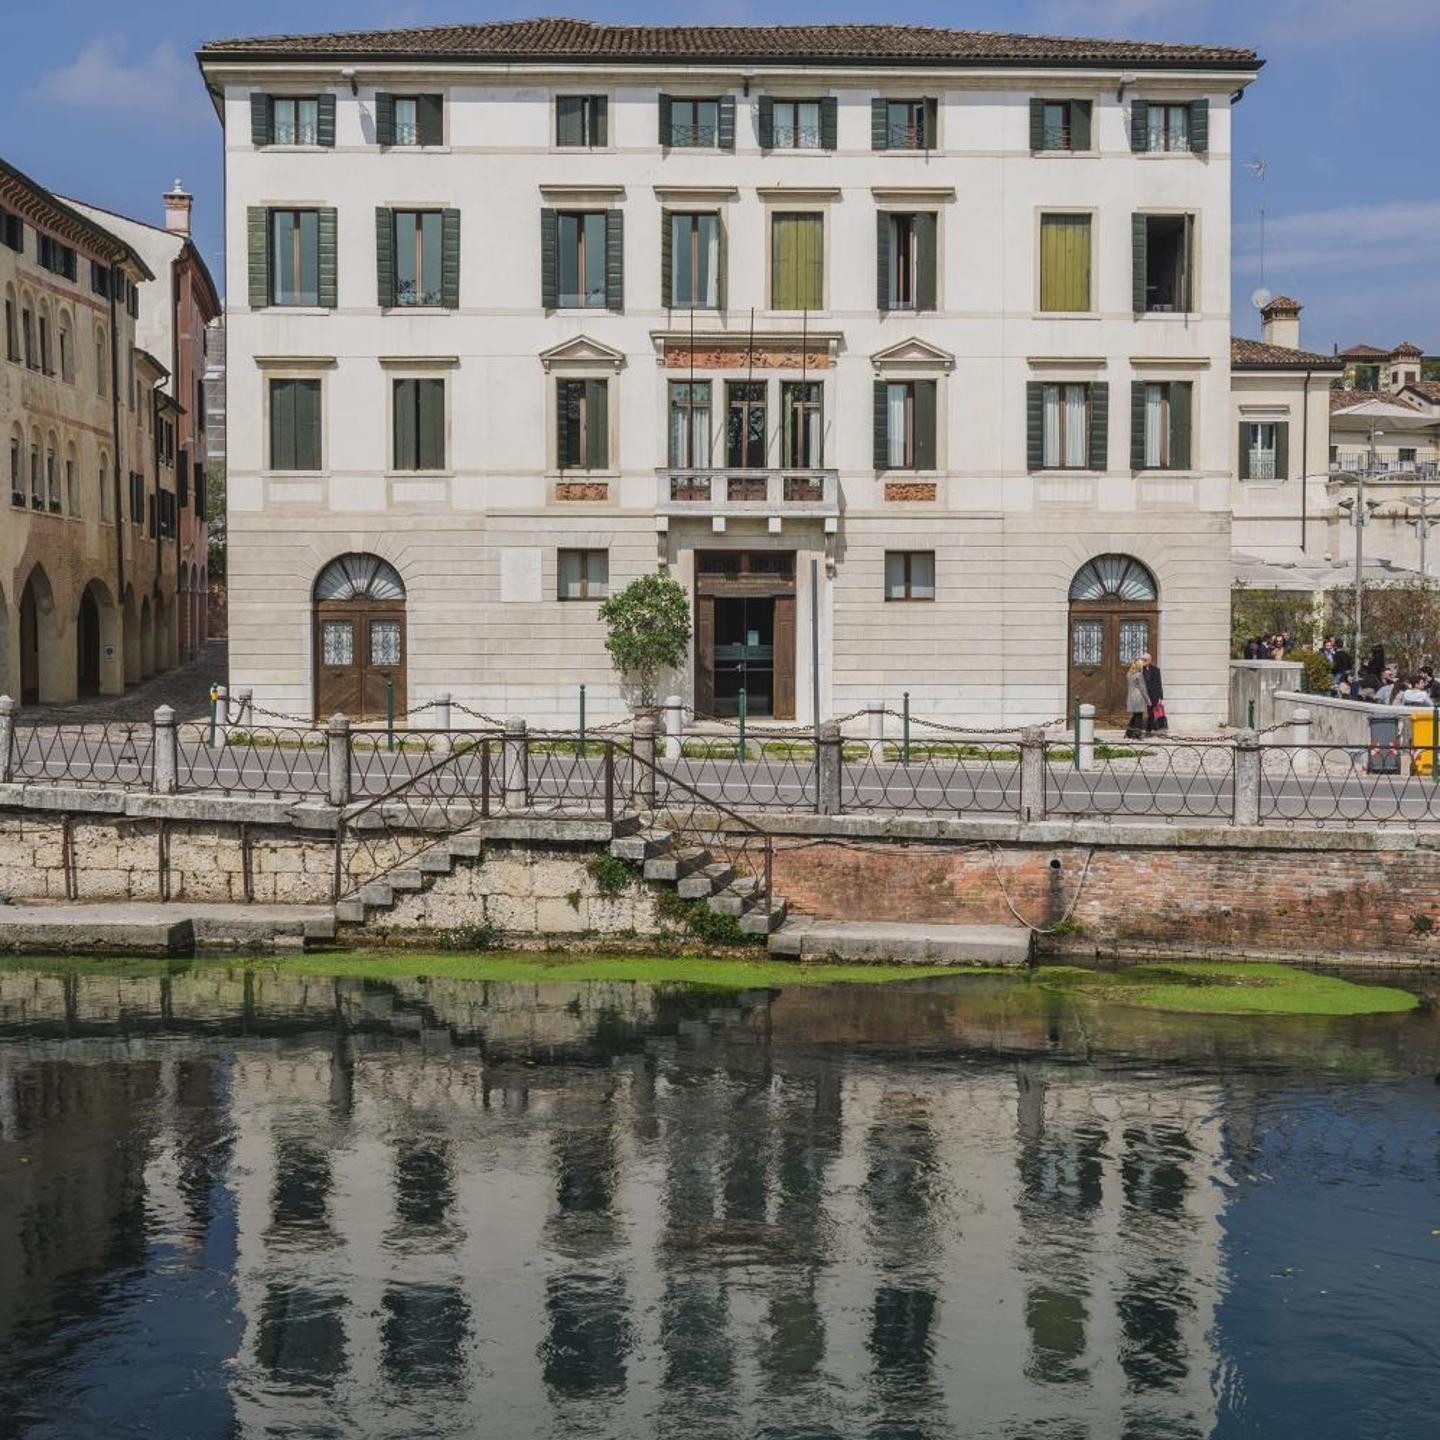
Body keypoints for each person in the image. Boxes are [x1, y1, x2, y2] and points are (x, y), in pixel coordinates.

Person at [1141, 651, 1167, 733]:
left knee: (1151, 713)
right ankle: (1138, 728)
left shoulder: (1156, 670)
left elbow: (1159, 683)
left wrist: (1160, 697)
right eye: (1142, 659)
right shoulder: (1139, 670)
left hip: (1153, 695)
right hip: (1142, 695)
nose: (1143, 661)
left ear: (1149, 660)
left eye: (1145, 660)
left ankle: (1149, 729)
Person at [1124, 657, 1149, 739]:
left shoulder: (1129, 674)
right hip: (1139, 697)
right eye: (1142, 665)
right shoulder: (1139, 675)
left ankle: (1128, 733)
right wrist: (1148, 700)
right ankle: (1137, 734)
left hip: (1131, 697)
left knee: (1135, 715)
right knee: (1139, 716)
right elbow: (1143, 688)